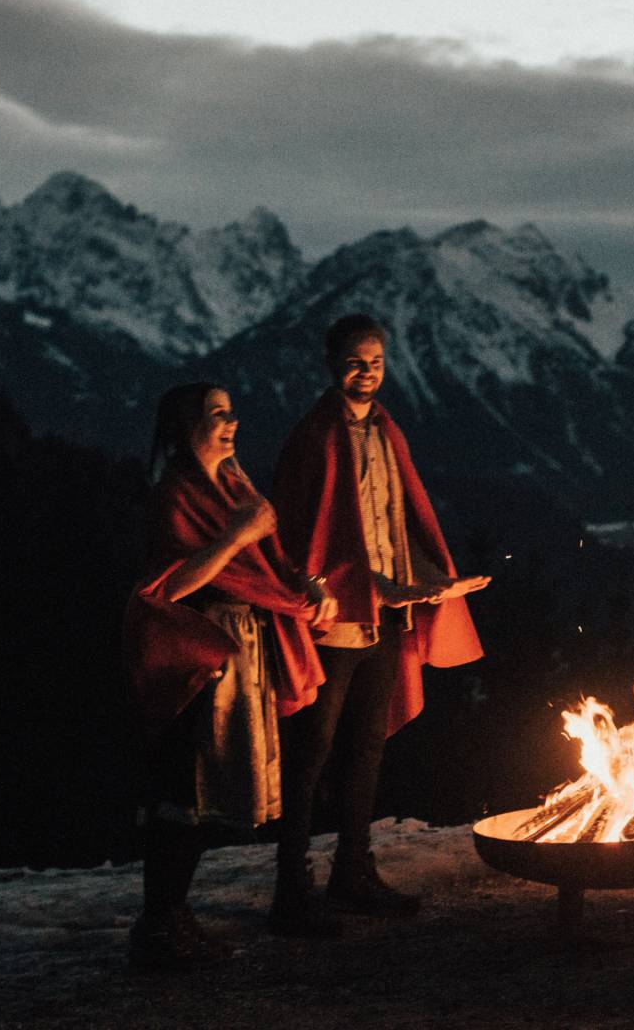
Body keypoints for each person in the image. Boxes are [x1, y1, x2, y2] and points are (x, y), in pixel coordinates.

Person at [267, 313, 489, 932]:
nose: (367, 372)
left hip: (384, 617)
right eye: (356, 361)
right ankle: (291, 886)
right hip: (336, 623)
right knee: (312, 751)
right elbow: (307, 538)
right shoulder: (314, 438)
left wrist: (430, 585)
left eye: (377, 361)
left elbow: (399, 525)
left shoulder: (388, 433)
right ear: (333, 363)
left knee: (366, 749)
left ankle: (351, 872)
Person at [121, 381, 336, 967]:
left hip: (242, 649)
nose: (230, 423)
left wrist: (304, 586)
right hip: (199, 652)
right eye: (215, 415)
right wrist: (240, 532)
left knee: (205, 789)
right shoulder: (177, 493)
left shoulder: (235, 485)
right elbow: (174, 583)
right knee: (183, 790)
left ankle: (173, 918)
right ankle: (158, 926)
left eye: (231, 412)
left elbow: (269, 563)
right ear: (185, 428)